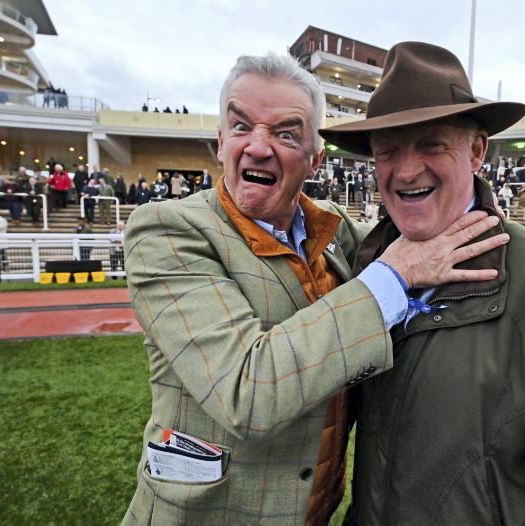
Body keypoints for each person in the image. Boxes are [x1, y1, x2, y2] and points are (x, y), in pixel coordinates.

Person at [122, 52, 503, 525]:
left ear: (315, 160)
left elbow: (427, 228)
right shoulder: (166, 230)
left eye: (285, 134)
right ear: (220, 143)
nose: (258, 147)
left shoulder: (336, 230)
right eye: (241, 126)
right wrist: (393, 275)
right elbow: (246, 393)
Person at [320, 41, 525, 524]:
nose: (407, 170)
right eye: (387, 151)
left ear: (477, 151)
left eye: (431, 144)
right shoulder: (368, 269)